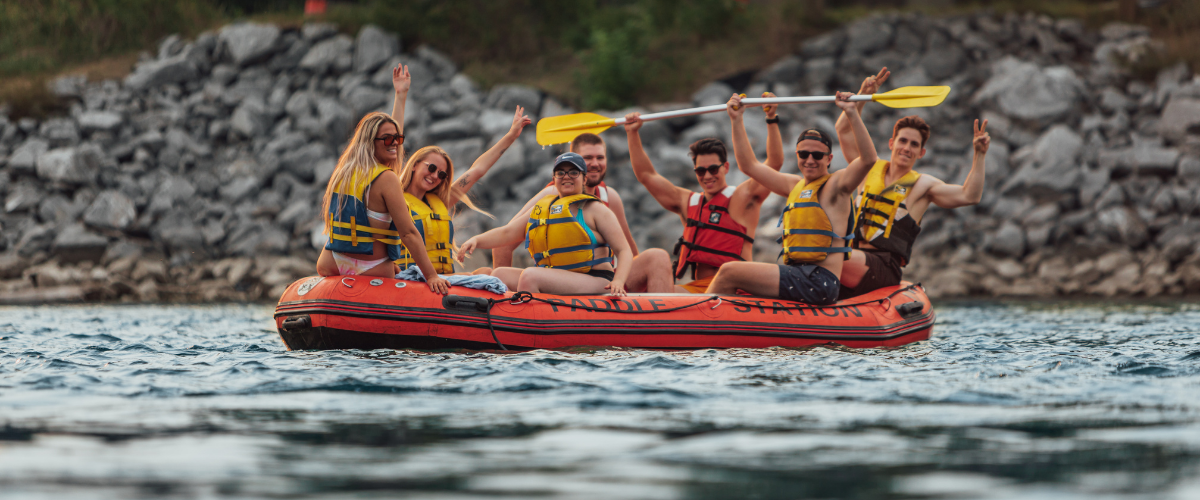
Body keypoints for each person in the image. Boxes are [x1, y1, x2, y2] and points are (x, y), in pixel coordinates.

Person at [705, 91, 877, 304]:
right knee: (737, 284)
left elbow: (868, 159)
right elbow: (749, 166)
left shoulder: (837, 185)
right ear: (797, 155)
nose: (810, 160)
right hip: (798, 275)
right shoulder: (794, 185)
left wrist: (851, 112)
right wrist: (737, 119)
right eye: (803, 154)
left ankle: (694, 322)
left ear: (829, 159)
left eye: (817, 155)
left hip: (820, 281)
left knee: (728, 271)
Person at [832, 68, 989, 299]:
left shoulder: (923, 186)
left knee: (826, 252)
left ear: (921, 153)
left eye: (914, 145)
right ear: (892, 143)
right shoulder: (868, 168)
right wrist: (861, 96)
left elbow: (969, 196)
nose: (907, 148)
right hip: (853, 257)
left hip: (883, 267)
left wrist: (979, 155)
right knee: (815, 248)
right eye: (903, 141)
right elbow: (842, 129)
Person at [622, 93, 785, 294]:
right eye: (700, 171)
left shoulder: (744, 198)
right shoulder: (687, 202)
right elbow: (647, 175)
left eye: (713, 169)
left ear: (725, 167)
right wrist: (632, 134)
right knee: (650, 280)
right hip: (698, 291)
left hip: (735, 291)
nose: (707, 176)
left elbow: (774, 163)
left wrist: (771, 118)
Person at [456, 153, 634, 296]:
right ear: (554, 177)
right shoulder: (543, 208)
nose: (567, 177)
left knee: (531, 276)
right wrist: (476, 241)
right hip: (560, 276)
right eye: (561, 172)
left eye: (573, 172)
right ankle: (505, 325)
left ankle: (531, 330)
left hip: (595, 279)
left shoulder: (596, 209)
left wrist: (618, 281)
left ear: (584, 179)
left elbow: (624, 250)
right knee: (499, 275)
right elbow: (507, 233)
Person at [314, 111, 450, 295]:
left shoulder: (343, 173)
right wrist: (431, 276)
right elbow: (408, 233)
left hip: (331, 263)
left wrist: (401, 96)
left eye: (397, 138)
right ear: (371, 142)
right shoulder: (386, 178)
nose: (394, 143)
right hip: (372, 268)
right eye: (387, 139)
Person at [394, 105, 531, 275]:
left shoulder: (441, 202)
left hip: (443, 280)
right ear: (414, 165)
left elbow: (477, 170)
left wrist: (511, 136)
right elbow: (393, 147)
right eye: (431, 168)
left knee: (489, 273)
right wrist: (401, 95)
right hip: (410, 278)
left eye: (441, 174)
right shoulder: (395, 199)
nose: (435, 175)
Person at [490, 133, 639, 268]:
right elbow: (502, 245)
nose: (595, 164)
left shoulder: (609, 196)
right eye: (587, 158)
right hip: (564, 283)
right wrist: (502, 290)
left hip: (605, 282)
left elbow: (628, 251)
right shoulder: (551, 195)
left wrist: (621, 283)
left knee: (655, 258)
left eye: (600, 157)